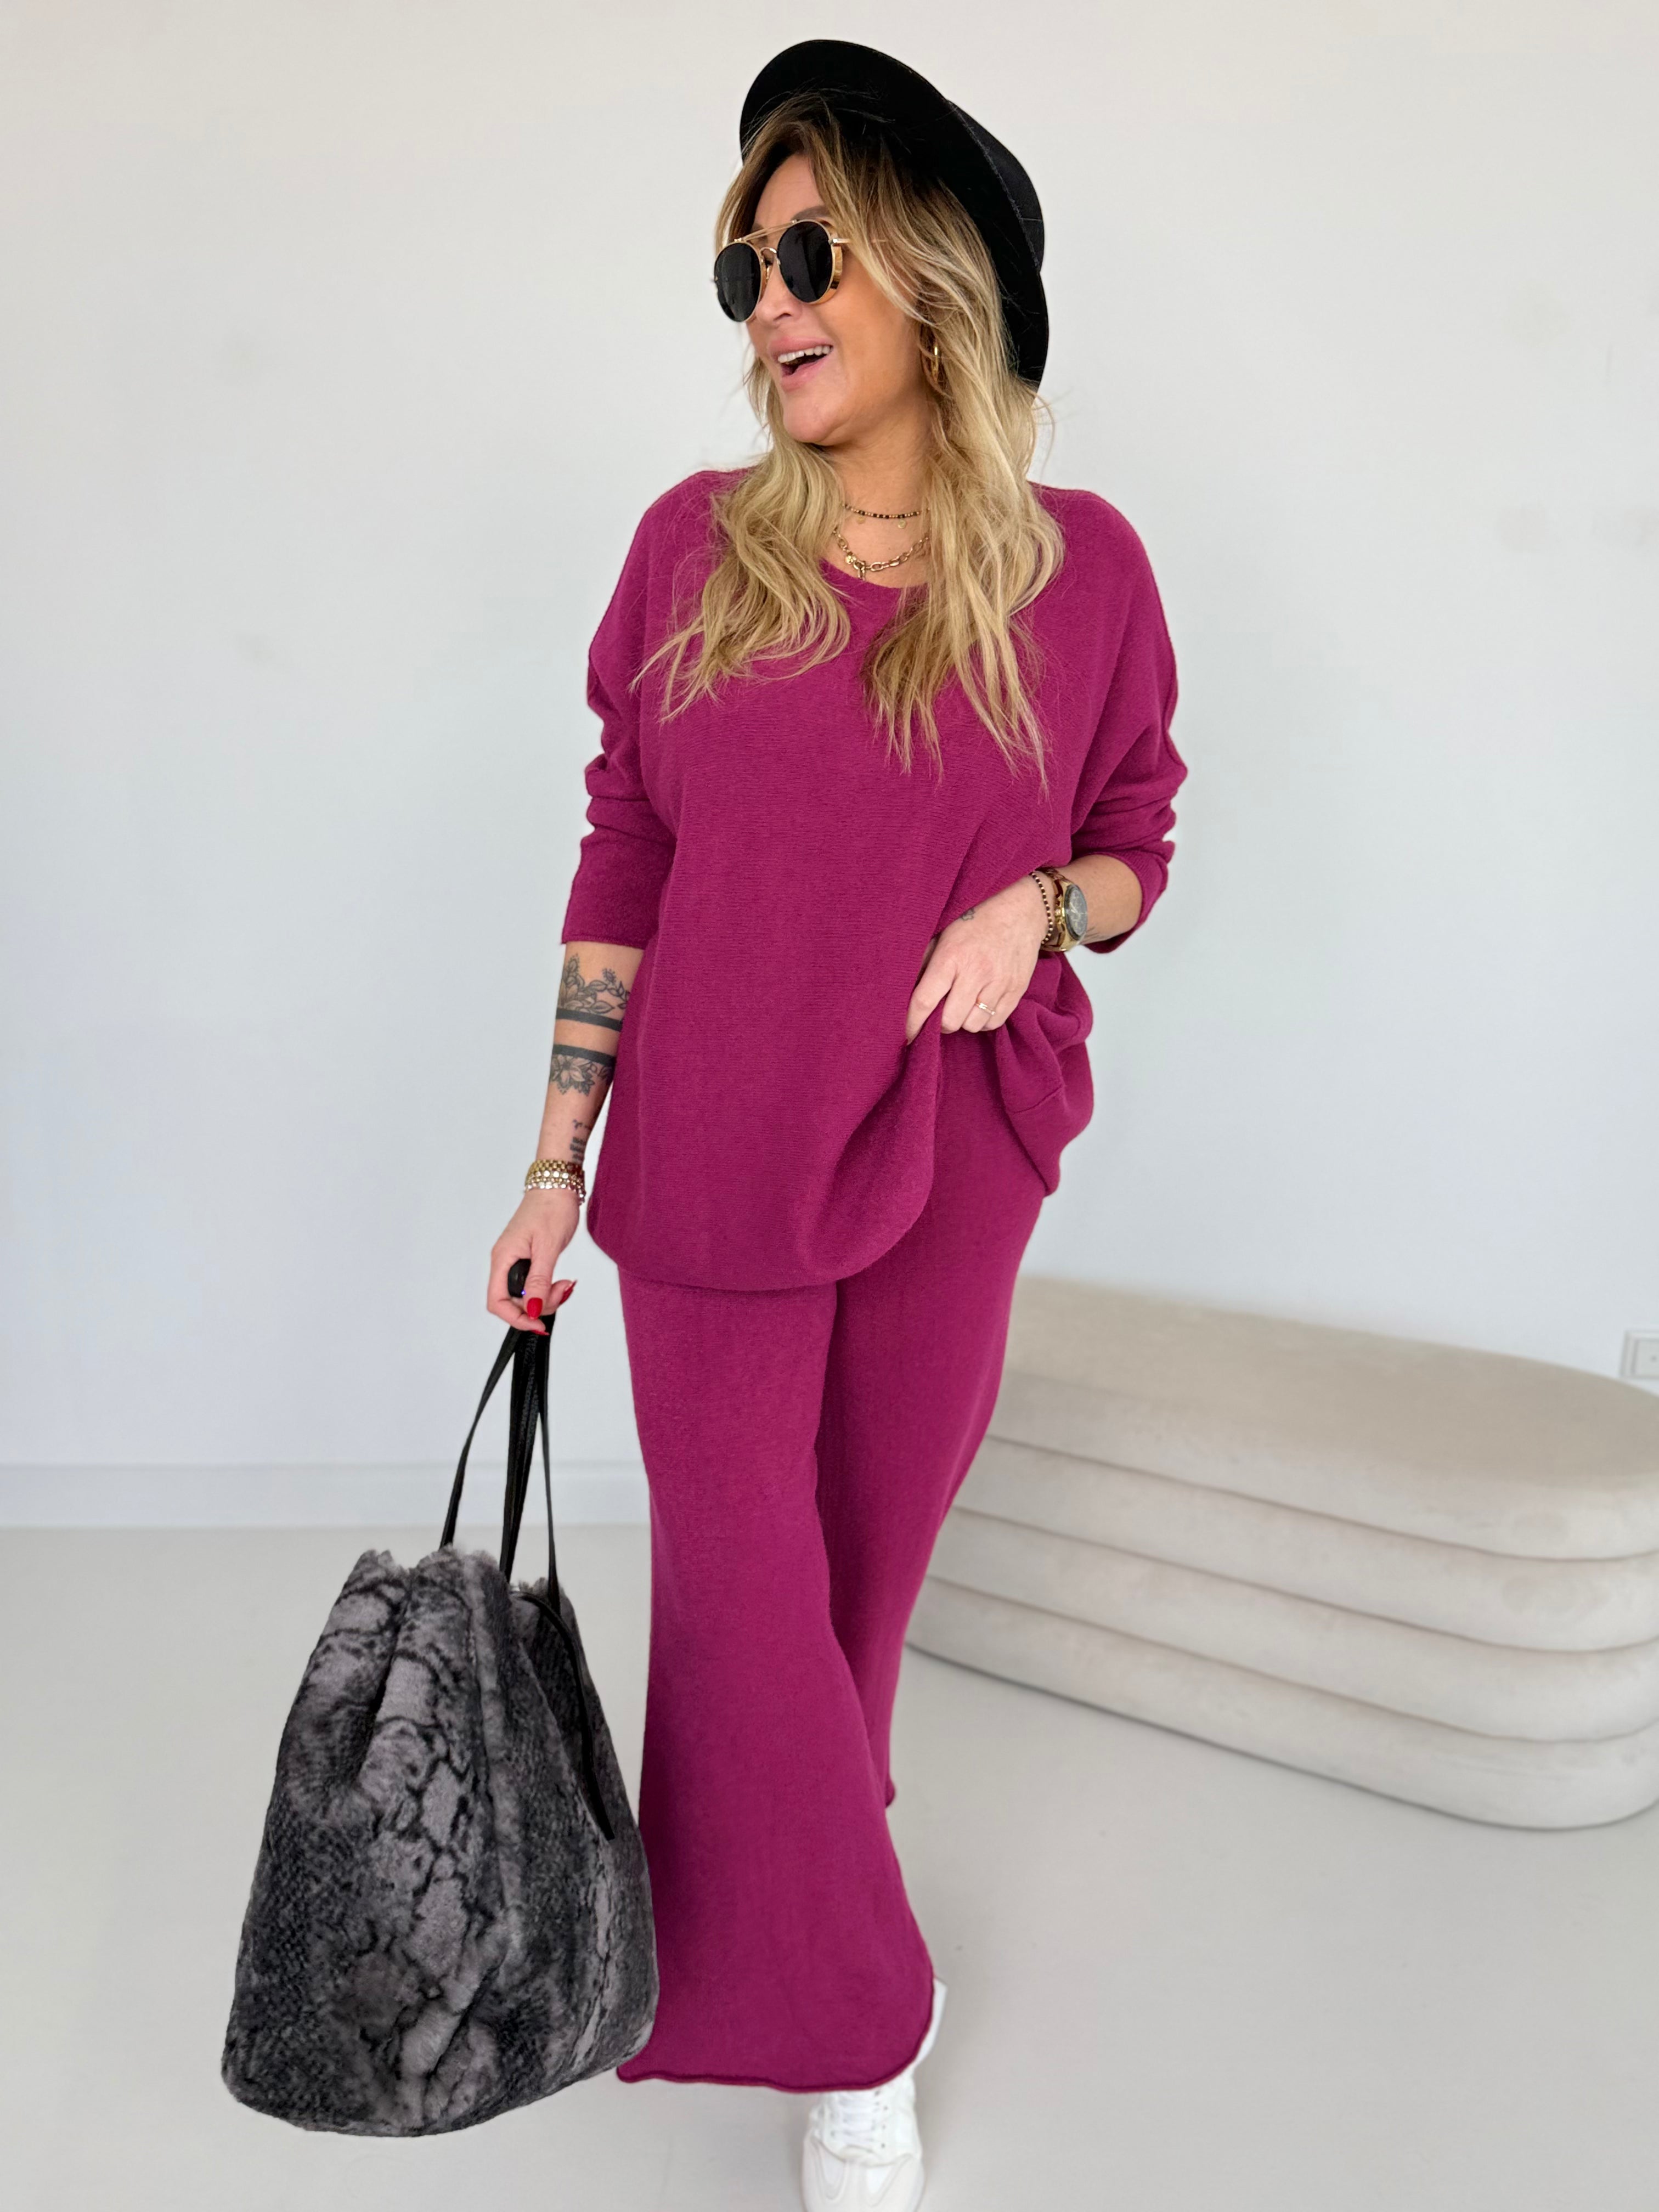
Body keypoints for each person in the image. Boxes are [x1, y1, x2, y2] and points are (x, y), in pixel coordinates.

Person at [488, 39, 1187, 2212]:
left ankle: (810, 1935)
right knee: (742, 1595)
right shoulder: (691, 553)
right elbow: (625, 854)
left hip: (951, 1154)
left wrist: (1036, 905)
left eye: (810, 257)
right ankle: (861, 2016)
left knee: (861, 1589)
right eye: (746, 270)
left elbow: (1138, 845)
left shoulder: (1084, 572)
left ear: (931, 278)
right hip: (708, 1151)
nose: (770, 305)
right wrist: (553, 1162)